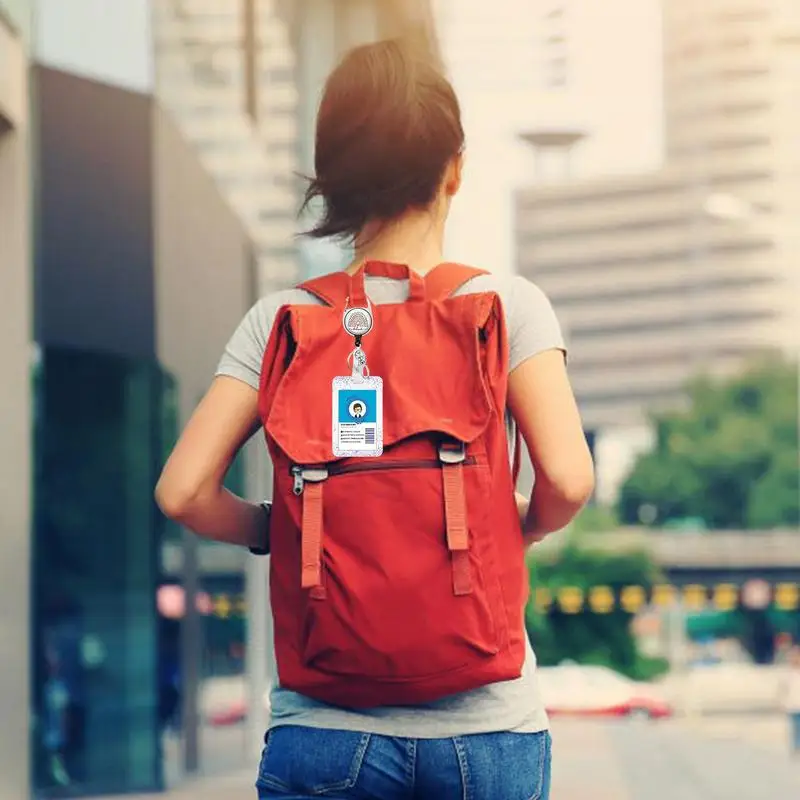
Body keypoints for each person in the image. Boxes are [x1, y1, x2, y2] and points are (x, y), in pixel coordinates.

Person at [156, 38, 594, 800]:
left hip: (324, 731)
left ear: (331, 180)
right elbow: (568, 476)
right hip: (486, 734)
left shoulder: (282, 322)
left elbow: (183, 491)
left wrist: (270, 526)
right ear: (455, 168)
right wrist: (517, 519)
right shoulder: (506, 308)